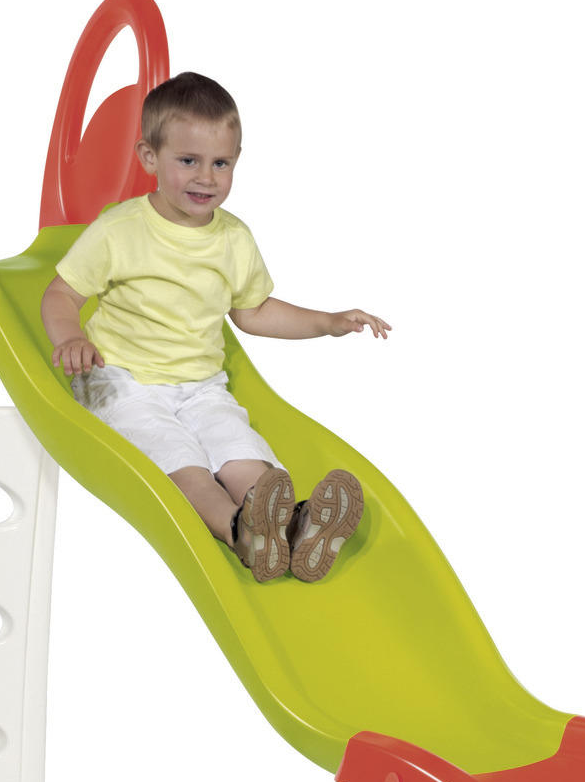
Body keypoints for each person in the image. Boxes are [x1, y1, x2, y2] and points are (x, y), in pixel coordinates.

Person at [41, 72, 389, 582]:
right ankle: (240, 531)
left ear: (236, 161)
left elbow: (254, 311)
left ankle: (295, 527)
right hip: (125, 383)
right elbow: (62, 293)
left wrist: (327, 322)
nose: (206, 177)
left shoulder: (233, 238)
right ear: (149, 158)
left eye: (220, 163)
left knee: (241, 454)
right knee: (185, 467)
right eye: (189, 161)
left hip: (203, 386)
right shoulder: (119, 230)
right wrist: (70, 337)